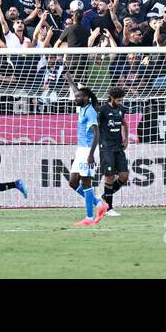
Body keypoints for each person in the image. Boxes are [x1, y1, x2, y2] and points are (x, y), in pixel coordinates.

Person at [93, 85, 129, 221]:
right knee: (109, 176)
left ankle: (105, 196)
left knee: (124, 176)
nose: (120, 102)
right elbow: (94, 126)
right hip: (106, 147)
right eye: (118, 100)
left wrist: (126, 139)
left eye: (121, 100)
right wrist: (96, 140)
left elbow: (124, 124)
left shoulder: (121, 109)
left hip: (118, 147)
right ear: (112, 98)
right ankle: (109, 208)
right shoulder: (102, 110)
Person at [68, 83, 100, 226]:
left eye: (78, 97)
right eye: (76, 96)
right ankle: (99, 204)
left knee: (86, 182)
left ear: (86, 98)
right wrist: (69, 78)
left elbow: (96, 133)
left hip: (88, 150)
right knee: (73, 182)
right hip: (80, 150)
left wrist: (91, 154)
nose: (76, 98)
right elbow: (76, 90)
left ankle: (89, 217)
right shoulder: (82, 107)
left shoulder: (90, 112)